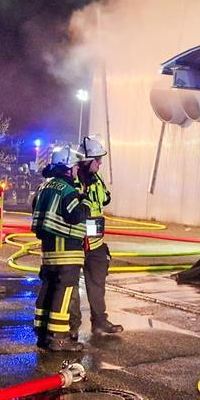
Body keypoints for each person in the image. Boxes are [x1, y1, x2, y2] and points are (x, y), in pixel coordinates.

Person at [30, 144, 89, 352]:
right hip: (67, 251)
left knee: (48, 288)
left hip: (49, 251)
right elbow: (76, 215)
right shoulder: (67, 190)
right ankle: (58, 338)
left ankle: (43, 334)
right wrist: (86, 202)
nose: (76, 171)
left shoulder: (45, 187)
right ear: (69, 168)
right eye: (75, 167)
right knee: (63, 292)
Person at [71, 136, 123, 337]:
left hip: (96, 242)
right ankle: (71, 326)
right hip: (76, 241)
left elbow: (105, 199)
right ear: (86, 160)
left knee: (97, 282)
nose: (100, 163)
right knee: (71, 285)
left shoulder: (97, 179)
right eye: (97, 160)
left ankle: (100, 321)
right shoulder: (73, 179)